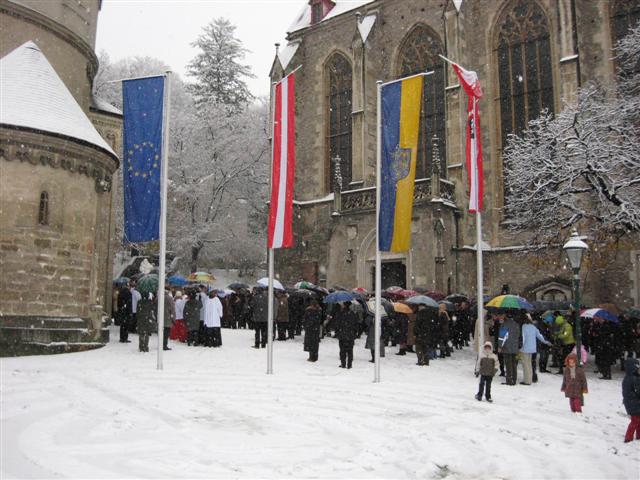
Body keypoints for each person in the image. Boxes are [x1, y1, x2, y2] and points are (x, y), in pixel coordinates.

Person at [520, 315, 551, 385]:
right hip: (532, 348)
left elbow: (523, 338)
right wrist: (546, 342)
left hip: (525, 348)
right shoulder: (534, 327)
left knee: (525, 365)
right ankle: (530, 379)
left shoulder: (523, 327)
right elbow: (540, 336)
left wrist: (521, 347)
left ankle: (527, 381)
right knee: (529, 364)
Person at [498, 312, 520, 386]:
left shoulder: (504, 325)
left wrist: (500, 346)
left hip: (507, 347)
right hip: (515, 347)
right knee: (514, 364)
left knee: (508, 364)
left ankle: (509, 380)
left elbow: (502, 337)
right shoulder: (516, 325)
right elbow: (518, 335)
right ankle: (514, 379)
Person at [334, 301, 358, 369]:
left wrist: (337, 332)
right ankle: (349, 365)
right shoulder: (353, 314)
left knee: (342, 350)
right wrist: (354, 332)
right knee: (350, 350)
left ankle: (343, 364)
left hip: (342, 334)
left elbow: (337, 324)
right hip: (350, 334)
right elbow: (356, 324)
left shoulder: (340, 313)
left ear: (344, 305)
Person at [622, 358, 640, 442]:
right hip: (633, 403)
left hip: (635, 402)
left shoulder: (634, 377)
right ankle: (628, 437)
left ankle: (639, 435)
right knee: (635, 421)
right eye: (637, 367)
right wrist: (636, 395)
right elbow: (629, 392)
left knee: (638, 420)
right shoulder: (630, 379)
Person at [591, 315, 615, 380]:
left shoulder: (606, 326)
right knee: (604, 360)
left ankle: (607, 375)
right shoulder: (600, 325)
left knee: (606, 361)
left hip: (605, 346)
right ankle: (605, 374)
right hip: (603, 345)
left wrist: (598, 334)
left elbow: (604, 335)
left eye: (600, 318)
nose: (599, 320)